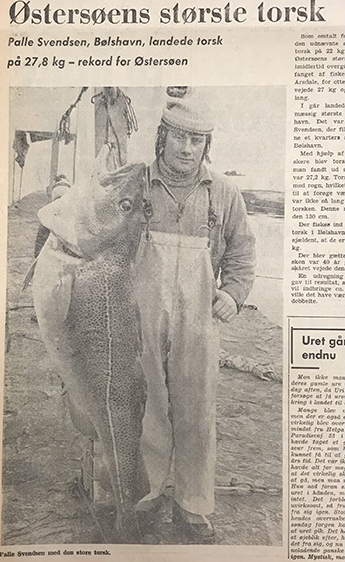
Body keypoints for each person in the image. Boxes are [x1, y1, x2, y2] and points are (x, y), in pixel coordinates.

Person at [135, 89, 256, 542]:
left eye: (197, 141)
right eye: (179, 138)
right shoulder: (135, 182)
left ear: (207, 146)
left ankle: (193, 506)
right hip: (139, 315)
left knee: (196, 409)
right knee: (145, 403)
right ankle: (143, 496)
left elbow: (243, 253)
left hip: (199, 321)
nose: (187, 149)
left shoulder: (223, 193)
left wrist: (234, 293)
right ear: (162, 137)